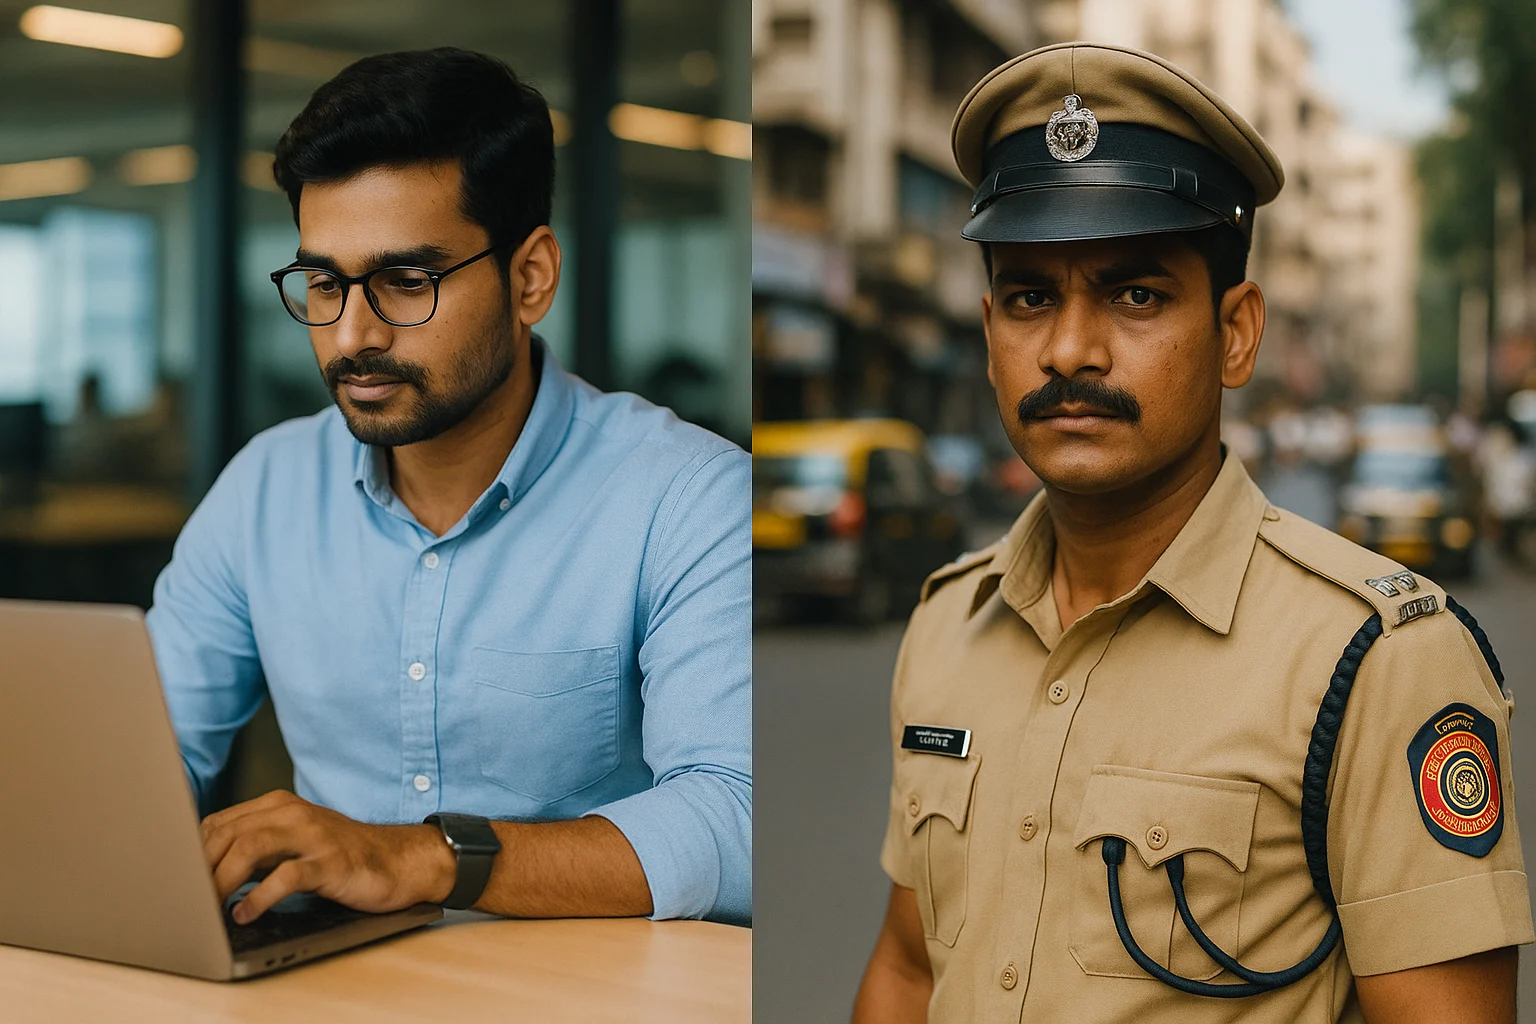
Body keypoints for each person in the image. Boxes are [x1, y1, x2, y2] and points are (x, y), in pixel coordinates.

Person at [851, 42, 1530, 1023]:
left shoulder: (1377, 661)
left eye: (1136, 295)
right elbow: (909, 968)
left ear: (1238, 331)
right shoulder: (947, 625)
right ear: (990, 330)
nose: (1070, 349)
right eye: (1031, 297)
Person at [146, 48, 750, 927]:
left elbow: (736, 822)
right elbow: (140, 760)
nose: (351, 334)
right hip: (326, 982)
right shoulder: (264, 491)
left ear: (530, 277)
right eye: (322, 282)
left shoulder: (688, 500)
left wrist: (426, 860)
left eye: (405, 281)